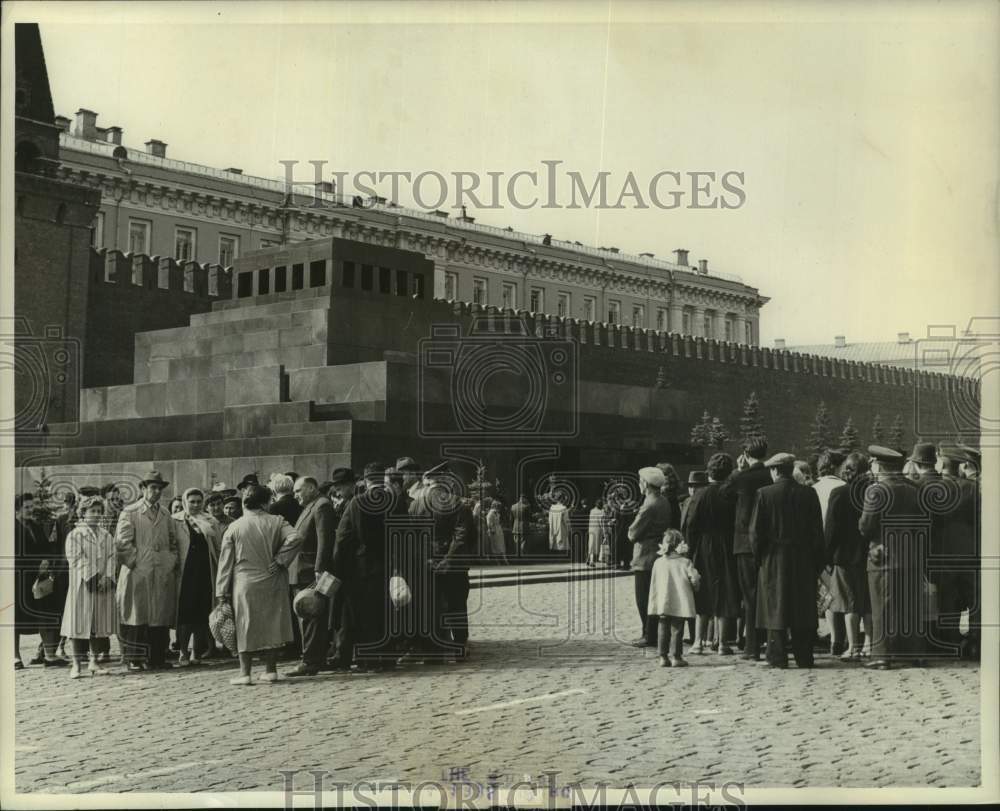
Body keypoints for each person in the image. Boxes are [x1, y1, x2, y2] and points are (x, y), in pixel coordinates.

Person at [216, 484, 302, 685]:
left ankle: (245, 673)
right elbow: (296, 537)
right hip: (272, 578)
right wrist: (281, 559)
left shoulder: (234, 527)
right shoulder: (277, 521)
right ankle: (270, 670)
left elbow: (225, 562)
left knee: (244, 624)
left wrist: (221, 591)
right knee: (272, 622)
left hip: (244, 581)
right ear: (266, 502)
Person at [750, 453, 825, 669]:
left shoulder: (764, 494)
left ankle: (777, 656)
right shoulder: (808, 494)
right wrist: (817, 562)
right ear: (792, 469)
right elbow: (817, 532)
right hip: (803, 557)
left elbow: (756, 533)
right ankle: (804, 656)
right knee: (802, 606)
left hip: (774, 557)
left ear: (774, 471)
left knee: (776, 606)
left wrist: (760, 558)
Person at [332, 463, 407, 670]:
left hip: (363, 567)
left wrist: (338, 567)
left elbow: (343, 538)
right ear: (382, 478)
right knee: (386, 613)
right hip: (389, 565)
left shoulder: (358, 502)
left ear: (365, 480)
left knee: (366, 615)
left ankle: (371, 659)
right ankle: (388, 657)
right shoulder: (397, 501)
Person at [858, 445, 926, 669]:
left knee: (883, 607)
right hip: (911, 556)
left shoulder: (876, 491)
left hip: (883, 558)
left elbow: (866, 526)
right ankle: (912, 652)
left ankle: (883, 655)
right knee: (909, 606)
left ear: (880, 465)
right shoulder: (915, 489)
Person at [409, 461, 476, 661]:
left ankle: (433, 651)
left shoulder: (415, 505)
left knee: (431, 606)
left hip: (425, 564)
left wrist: (425, 559)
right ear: (446, 480)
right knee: (457, 605)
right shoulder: (457, 503)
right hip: (453, 567)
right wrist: (447, 560)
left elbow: (410, 538)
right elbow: (464, 537)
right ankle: (459, 647)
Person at [115, 471, 180, 673]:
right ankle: (134, 658)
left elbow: (172, 540)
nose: (156, 492)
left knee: (158, 615)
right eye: (152, 487)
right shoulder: (130, 512)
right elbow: (122, 543)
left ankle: (157, 658)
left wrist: (170, 561)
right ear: (143, 489)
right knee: (137, 614)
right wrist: (135, 562)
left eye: (159, 488)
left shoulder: (165, 514)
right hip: (138, 572)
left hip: (160, 571)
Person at [720, 438, 772, 662]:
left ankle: (751, 647)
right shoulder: (771, 475)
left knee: (749, 596)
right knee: (767, 592)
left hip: (744, 543)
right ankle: (768, 641)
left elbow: (724, 493)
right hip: (769, 542)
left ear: (745, 454)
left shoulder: (741, 478)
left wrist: (737, 471)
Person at [684, 453, 740, 656]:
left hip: (704, 546)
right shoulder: (732, 494)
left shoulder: (699, 495)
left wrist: (690, 551)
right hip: (727, 545)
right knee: (725, 591)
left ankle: (698, 641)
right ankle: (723, 643)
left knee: (703, 592)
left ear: (709, 471)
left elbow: (690, 525)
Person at [61, 496, 118, 678]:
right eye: (92, 511)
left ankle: (94, 661)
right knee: (78, 625)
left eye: (99, 511)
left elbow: (112, 557)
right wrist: (94, 577)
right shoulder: (75, 535)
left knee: (97, 624)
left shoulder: (106, 535)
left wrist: (107, 577)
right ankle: (77, 664)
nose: (96, 515)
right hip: (82, 585)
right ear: (83, 513)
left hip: (102, 585)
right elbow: (76, 559)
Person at [824, 452, 873, 660]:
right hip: (868, 554)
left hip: (844, 555)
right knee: (868, 602)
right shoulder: (873, 492)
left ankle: (852, 647)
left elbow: (831, 528)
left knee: (850, 603)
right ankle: (870, 645)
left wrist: (826, 555)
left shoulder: (839, 493)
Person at [286, 477, 336, 677]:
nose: (296, 495)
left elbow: (324, 539)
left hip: (310, 570)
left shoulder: (322, 506)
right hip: (301, 569)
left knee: (311, 616)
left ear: (312, 488)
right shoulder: (311, 506)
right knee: (307, 616)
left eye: (299, 490)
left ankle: (311, 660)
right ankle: (314, 657)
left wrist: (319, 568)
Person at [936, 444, 981, 660]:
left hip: (944, 553)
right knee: (973, 600)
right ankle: (974, 643)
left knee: (948, 600)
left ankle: (949, 642)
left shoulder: (936, 488)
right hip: (970, 551)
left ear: (941, 464)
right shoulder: (972, 487)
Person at [15, 493, 68, 669]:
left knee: (46, 613)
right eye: (27, 507)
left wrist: (46, 561)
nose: (31, 510)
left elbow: (46, 548)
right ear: (17, 510)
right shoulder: (9, 528)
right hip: (17, 580)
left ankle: (50, 655)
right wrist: (33, 565)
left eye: (32, 507)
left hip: (39, 581)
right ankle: (15, 657)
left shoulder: (35, 527)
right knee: (15, 617)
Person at [172, 488, 220, 666]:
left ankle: (196, 652)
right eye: (192, 501)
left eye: (199, 501)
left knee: (202, 613)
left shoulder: (210, 521)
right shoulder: (175, 521)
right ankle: (183, 651)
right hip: (185, 571)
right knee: (185, 613)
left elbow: (218, 547)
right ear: (185, 502)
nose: (195, 505)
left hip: (205, 570)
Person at [628, 467, 674, 649]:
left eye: (641, 481)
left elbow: (633, 533)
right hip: (658, 552)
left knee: (643, 597)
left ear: (646, 484)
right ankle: (653, 632)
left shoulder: (648, 504)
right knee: (654, 596)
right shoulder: (663, 501)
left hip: (644, 555)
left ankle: (648, 634)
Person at [648, 529, 701, 667]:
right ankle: (677, 656)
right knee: (677, 628)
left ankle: (663, 657)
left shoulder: (658, 562)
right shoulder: (685, 562)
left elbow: (654, 582)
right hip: (680, 601)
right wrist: (696, 586)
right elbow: (694, 578)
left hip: (663, 601)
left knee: (663, 626)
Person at [813, 450, 847, 656]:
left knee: (827, 595)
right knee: (845, 593)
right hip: (843, 548)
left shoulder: (813, 489)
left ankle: (835, 638)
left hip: (820, 547)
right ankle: (845, 637)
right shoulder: (845, 488)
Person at [656, 463, 683, 530]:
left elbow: (665, 490)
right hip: (674, 505)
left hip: (666, 506)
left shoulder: (664, 480)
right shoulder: (673, 478)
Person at [485, 498, 508, 565]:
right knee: (495, 546)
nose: (499, 508)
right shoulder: (490, 513)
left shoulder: (497, 513)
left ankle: (504, 560)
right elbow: (489, 523)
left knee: (501, 545)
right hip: (494, 530)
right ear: (494, 506)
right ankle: (497, 561)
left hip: (498, 529)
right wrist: (492, 530)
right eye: (497, 506)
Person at [587, 499, 605, 567]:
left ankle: (589, 559)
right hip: (598, 530)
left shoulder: (592, 511)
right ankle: (592, 561)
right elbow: (602, 523)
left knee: (591, 545)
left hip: (591, 529)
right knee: (596, 546)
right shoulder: (602, 512)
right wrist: (604, 531)